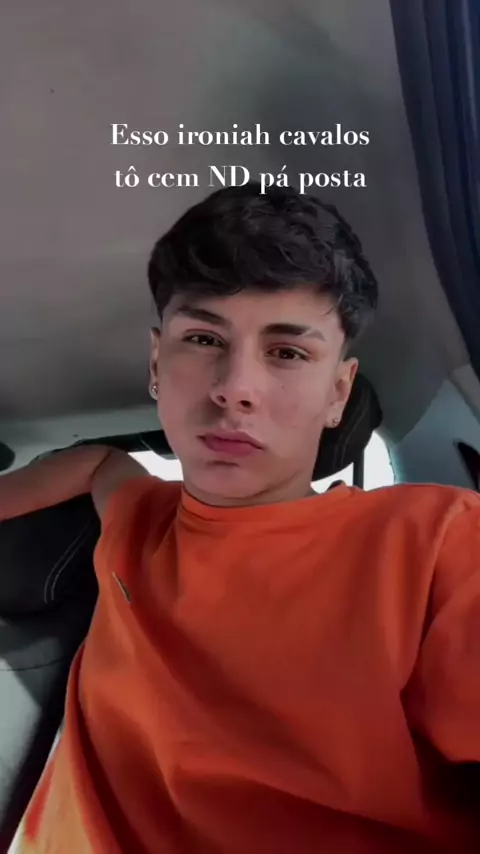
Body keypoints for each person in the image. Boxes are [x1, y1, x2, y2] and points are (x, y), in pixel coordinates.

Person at [2, 182, 480, 853]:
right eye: (203, 338)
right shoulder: (139, 515)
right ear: (156, 365)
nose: (235, 389)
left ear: (338, 392)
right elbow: (97, 462)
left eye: (287, 352)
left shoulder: (441, 541)